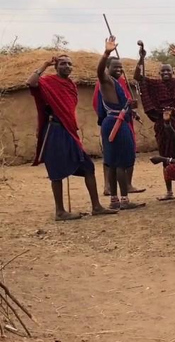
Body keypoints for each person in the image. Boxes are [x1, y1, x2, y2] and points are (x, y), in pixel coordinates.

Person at [27, 55, 117, 220]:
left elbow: (68, 109)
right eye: (63, 64)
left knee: (88, 167)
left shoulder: (71, 85)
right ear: (56, 67)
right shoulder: (48, 81)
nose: (67, 66)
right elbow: (31, 82)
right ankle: (60, 211)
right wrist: (45, 64)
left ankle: (96, 207)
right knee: (57, 171)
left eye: (69, 64)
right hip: (54, 131)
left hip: (68, 131)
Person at [134, 43, 175, 201]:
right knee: (164, 157)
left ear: (173, 72)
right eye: (163, 71)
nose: (166, 73)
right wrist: (141, 57)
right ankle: (169, 192)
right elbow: (138, 77)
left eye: (168, 70)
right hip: (161, 126)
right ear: (159, 74)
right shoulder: (154, 85)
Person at [97, 36, 145, 210]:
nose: (118, 69)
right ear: (108, 68)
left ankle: (114, 200)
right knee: (120, 163)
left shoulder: (116, 84)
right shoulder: (106, 81)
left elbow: (121, 105)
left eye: (120, 67)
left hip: (114, 122)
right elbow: (99, 71)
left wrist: (131, 109)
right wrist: (106, 53)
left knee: (112, 162)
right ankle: (124, 200)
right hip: (116, 124)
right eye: (115, 67)